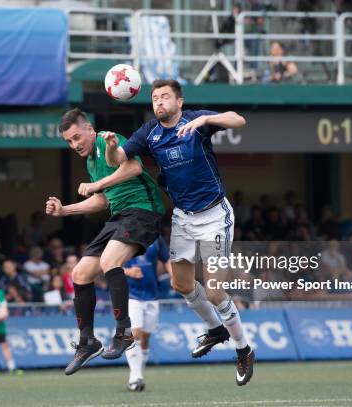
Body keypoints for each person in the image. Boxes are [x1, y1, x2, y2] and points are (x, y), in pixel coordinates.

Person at [103, 79, 254, 386]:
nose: (159, 102)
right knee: (181, 283)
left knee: (213, 290)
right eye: (155, 98)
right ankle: (215, 329)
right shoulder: (149, 133)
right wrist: (111, 148)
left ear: (179, 102)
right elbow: (118, 160)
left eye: (165, 97)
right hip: (183, 218)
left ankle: (243, 349)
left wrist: (206, 118)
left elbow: (239, 119)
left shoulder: (196, 120)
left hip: (214, 215)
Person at [46, 108, 165, 376]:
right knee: (80, 273)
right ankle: (87, 341)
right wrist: (65, 210)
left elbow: (134, 167)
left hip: (143, 210)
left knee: (110, 261)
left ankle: (124, 331)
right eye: (69, 141)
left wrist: (98, 183)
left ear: (89, 128)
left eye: (77, 137)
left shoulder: (108, 140)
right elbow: (103, 198)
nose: (75, 144)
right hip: (119, 215)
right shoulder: (90, 161)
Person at [123, 236, 172, 392]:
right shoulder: (122, 235)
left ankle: (139, 375)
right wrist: (128, 271)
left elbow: (167, 259)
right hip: (131, 295)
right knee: (134, 334)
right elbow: (107, 265)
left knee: (145, 339)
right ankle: (135, 376)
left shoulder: (157, 238)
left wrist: (174, 276)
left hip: (152, 295)